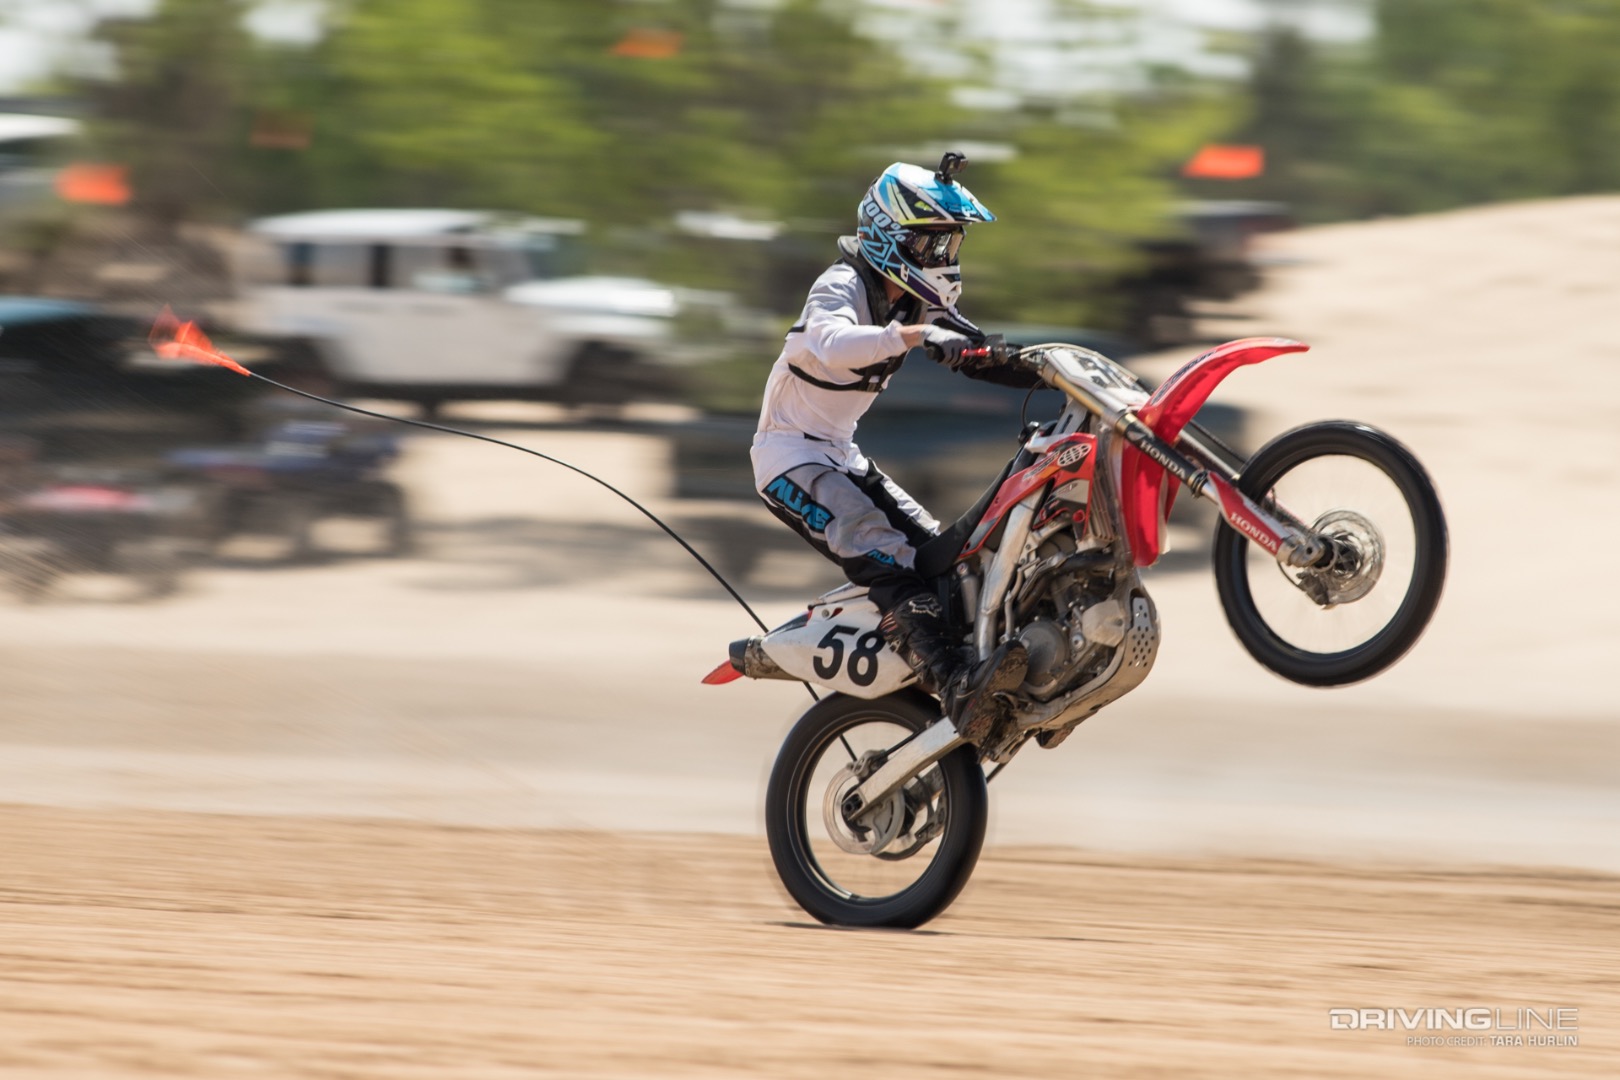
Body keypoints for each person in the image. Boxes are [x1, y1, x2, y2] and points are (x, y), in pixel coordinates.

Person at [752, 154, 1034, 744]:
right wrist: (914, 334)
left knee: (942, 557)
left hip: (841, 454)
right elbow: (827, 344)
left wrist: (1049, 369)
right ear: (889, 237)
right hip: (787, 459)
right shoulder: (843, 284)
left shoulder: (914, 301)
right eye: (932, 246)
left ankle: (968, 667)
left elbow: (979, 353)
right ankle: (957, 686)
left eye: (950, 246)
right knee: (886, 555)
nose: (944, 261)